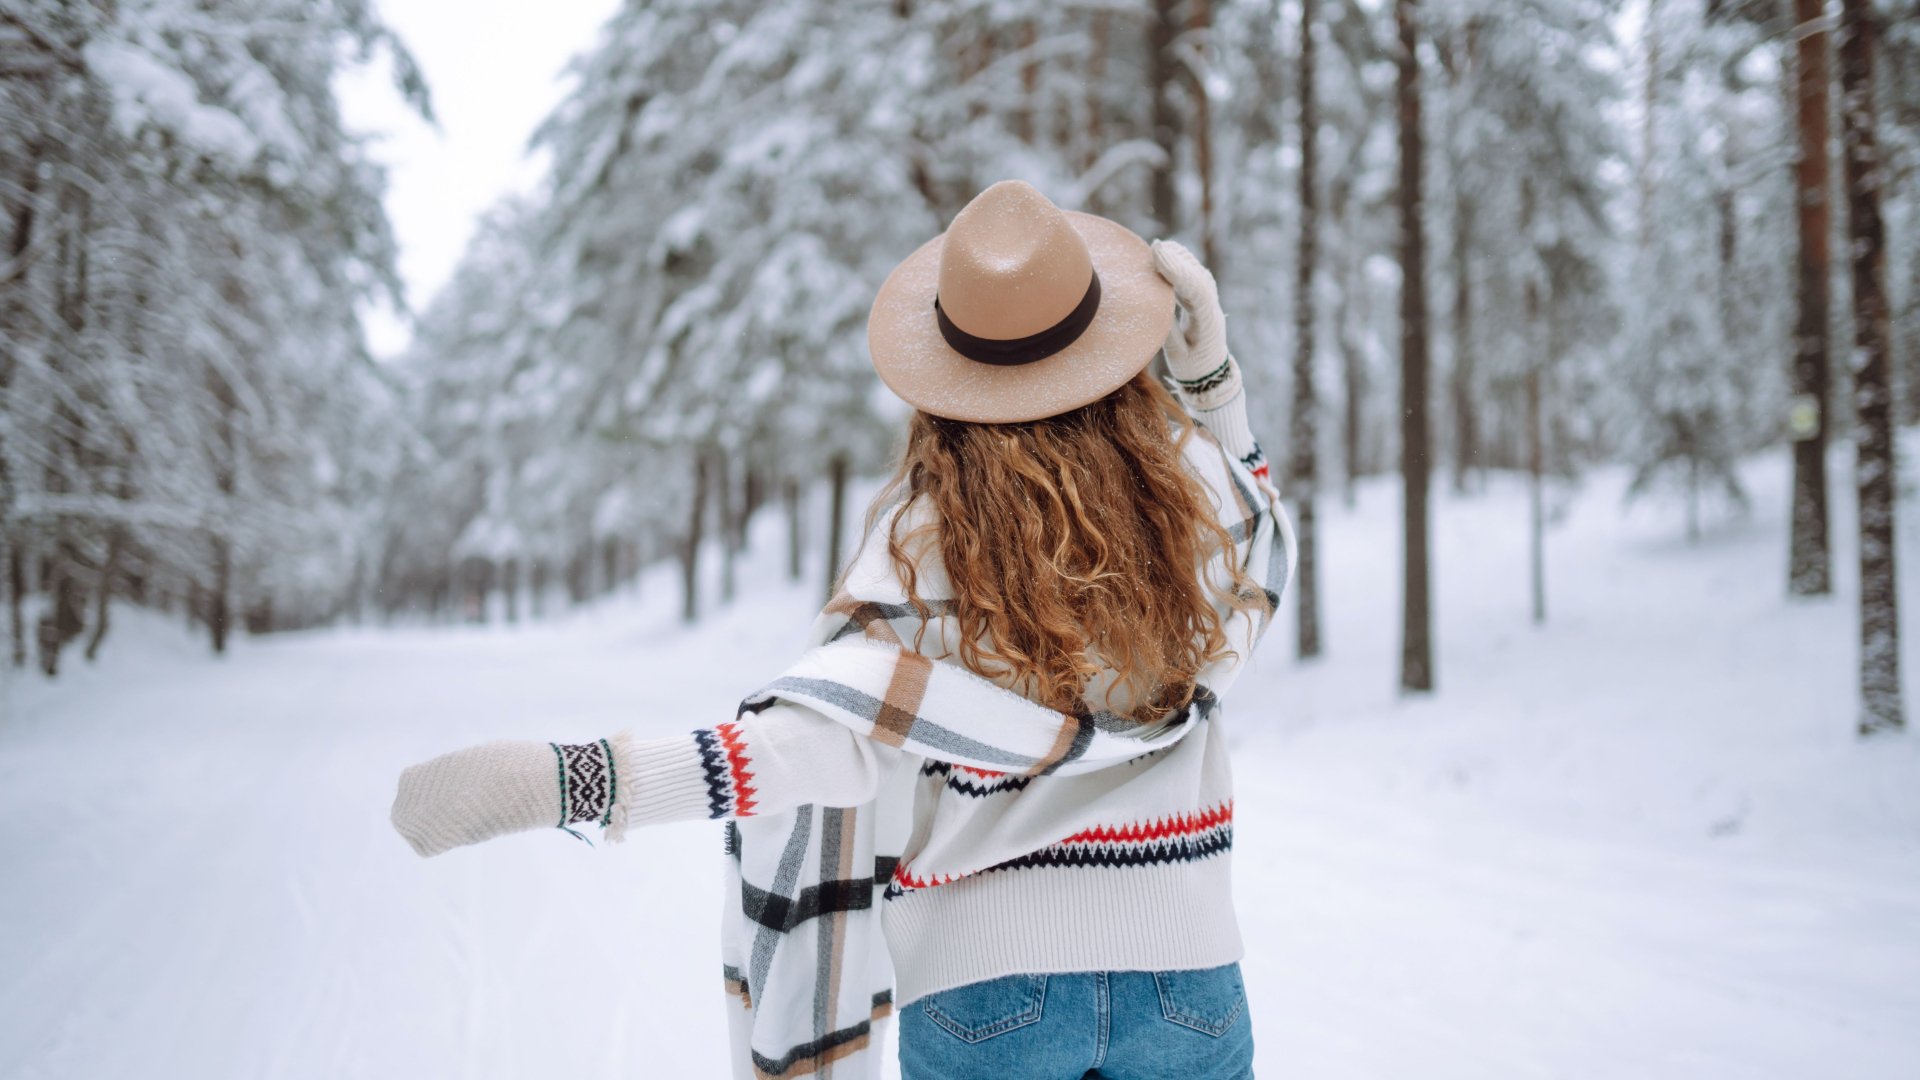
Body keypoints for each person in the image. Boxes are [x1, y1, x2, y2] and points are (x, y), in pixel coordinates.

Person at [390, 179, 1295, 1080]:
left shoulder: (926, 542)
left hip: (990, 995)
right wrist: (1210, 382)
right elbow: (1263, 532)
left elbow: (820, 742)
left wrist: (579, 780)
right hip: (1188, 980)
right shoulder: (1193, 502)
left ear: (949, 384)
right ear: (1111, 350)